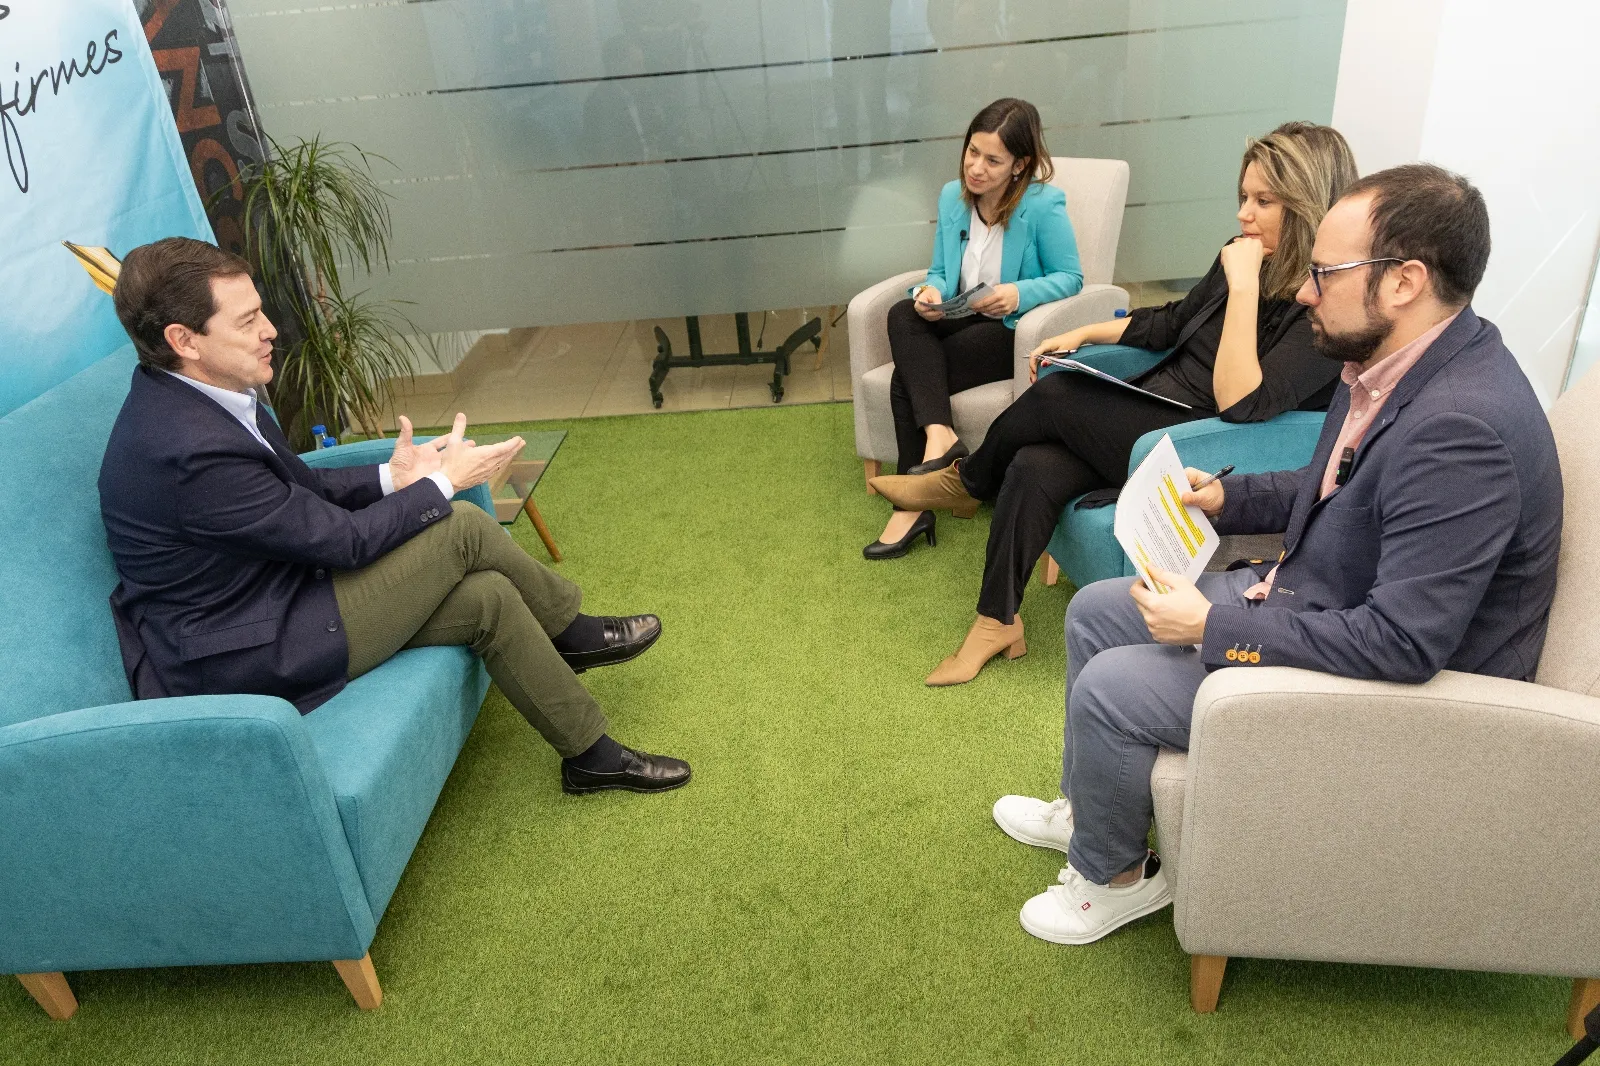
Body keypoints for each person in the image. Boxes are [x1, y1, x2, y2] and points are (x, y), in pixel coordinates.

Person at [989, 163, 1563, 945]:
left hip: (1402, 696)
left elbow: (1404, 644)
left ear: (1405, 282)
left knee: (1113, 688)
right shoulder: (1394, 364)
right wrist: (1229, 498)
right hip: (1321, 600)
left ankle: (1115, 878)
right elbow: (1341, 486)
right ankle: (1093, 811)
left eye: (1325, 274)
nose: (1302, 292)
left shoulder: (1462, 430)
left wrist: (1211, 627)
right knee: (1096, 613)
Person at [99, 237, 690, 795]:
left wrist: (394, 476)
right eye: (248, 320)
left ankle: (591, 757)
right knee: (461, 528)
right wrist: (442, 483)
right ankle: (572, 633)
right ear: (184, 339)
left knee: (488, 597)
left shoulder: (202, 394)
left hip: (277, 596)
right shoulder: (187, 450)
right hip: (246, 652)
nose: (270, 330)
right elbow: (344, 543)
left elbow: (297, 492)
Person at [870, 122, 1356, 686]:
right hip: (1149, 409)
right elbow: (1172, 321)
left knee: (1055, 394)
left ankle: (968, 481)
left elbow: (1241, 402)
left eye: (1263, 202)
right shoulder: (1242, 256)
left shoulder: (1326, 309)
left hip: (1200, 443)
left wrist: (1245, 288)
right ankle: (995, 622)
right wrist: (1084, 332)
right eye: (1243, 196)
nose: (1243, 214)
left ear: (1307, 204)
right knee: (1033, 464)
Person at [864, 97, 1083, 561]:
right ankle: (941, 438)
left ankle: (911, 506)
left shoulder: (1043, 205)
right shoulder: (953, 197)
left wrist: (1018, 293)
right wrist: (931, 292)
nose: (976, 168)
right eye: (972, 152)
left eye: (992, 160)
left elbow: (1072, 277)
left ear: (1020, 164)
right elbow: (941, 271)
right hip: (959, 315)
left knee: (907, 379)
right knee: (902, 314)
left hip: (1007, 328)